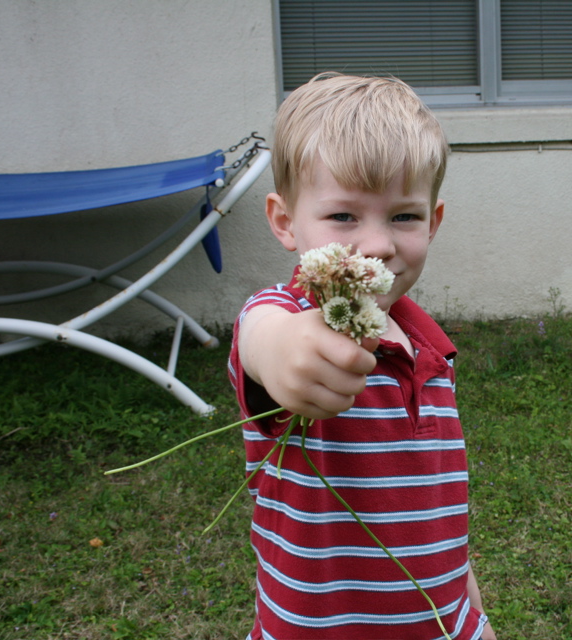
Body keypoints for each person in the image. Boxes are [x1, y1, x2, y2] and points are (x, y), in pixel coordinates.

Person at [228, 72, 496, 640]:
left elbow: (438, 516)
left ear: (434, 221)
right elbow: (262, 338)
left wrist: (470, 615)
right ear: (285, 223)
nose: (378, 244)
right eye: (344, 216)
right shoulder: (290, 316)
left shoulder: (431, 348)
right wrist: (283, 351)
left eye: (404, 216)